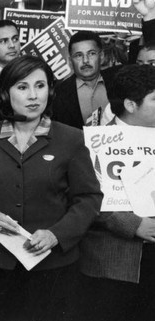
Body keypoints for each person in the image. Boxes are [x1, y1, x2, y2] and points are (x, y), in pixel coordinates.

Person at [0, 55, 103, 321]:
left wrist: (56, 235)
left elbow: (89, 198)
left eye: (40, 86)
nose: (33, 95)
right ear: (5, 93)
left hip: (54, 266)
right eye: (22, 87)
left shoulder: (70, 138)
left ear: (50, 90)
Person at [78, 64, 155, 321]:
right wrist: (132, 224)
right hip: (110, 263)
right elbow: (87, 199)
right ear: (131, 105)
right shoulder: (93, 142)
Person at [52, 31, 118, 128]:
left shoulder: (119, 81)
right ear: (70, 61)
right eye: (78, 55)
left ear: (102, 56)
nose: (85, 60)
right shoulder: (59, 93)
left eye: (91, 53)